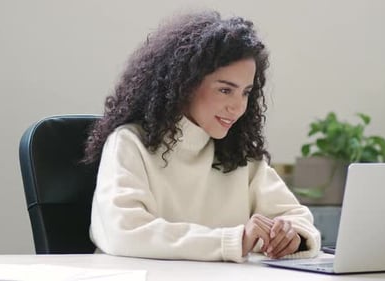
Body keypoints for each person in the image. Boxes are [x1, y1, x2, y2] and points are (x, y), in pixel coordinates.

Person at [82, 10, 321, 263]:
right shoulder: (129, 143)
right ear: (184, 85)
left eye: (245, 92)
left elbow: (296, 217)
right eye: (225, 90)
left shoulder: (239, 154)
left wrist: (291, 235)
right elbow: (123, 231)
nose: (238, 106)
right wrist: (232, 241)